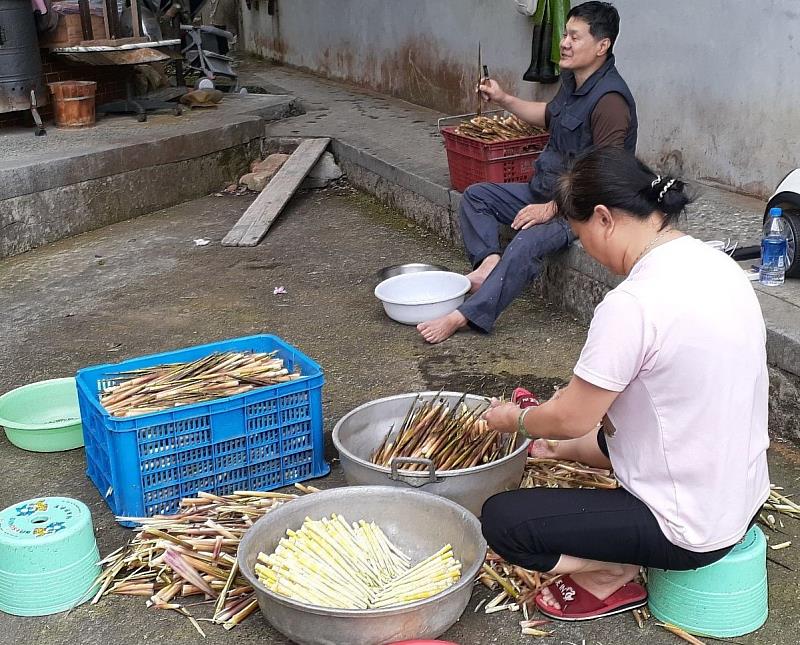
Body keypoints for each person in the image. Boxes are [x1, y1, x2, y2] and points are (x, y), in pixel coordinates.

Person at [480, 147, 771, 621]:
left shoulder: (632, 304)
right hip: (740, 500)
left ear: (603, 219)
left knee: (505, 521)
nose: (587, 249)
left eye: (580, 235)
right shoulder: (716, 263)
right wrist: (566, 445)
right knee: (587, 436)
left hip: (687, 532)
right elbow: (635, 417)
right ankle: (572, 465)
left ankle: (610, 570)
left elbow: (572, 416)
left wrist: (517, 419)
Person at [418, 1, 637, 343]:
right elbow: (549, 115)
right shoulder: (574, 80)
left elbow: (604, 175)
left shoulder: (611, 101)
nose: (564, 43)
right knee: (477, 196)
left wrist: (552, 209)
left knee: (528, 241)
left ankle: (466, 315)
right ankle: (489, 262)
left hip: (583, 208)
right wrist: (504, 98)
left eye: (574, 37)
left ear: (602, 45)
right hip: (543, 188)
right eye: (566, 34)